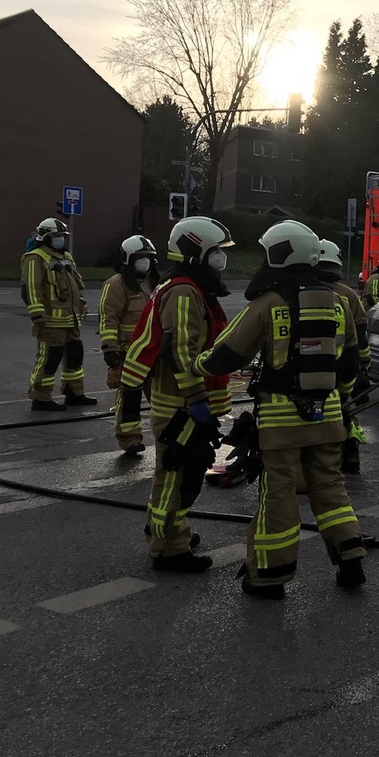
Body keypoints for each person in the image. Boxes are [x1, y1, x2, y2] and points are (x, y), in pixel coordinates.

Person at [194, 220, 367, 599]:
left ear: (279, 253)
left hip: (281, 423)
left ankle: (270, 576)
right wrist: (337, 404)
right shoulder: (338, 303)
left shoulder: (270, 302)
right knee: (330, 487)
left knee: (279, 494)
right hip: (329, 418)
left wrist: (197, 366)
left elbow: (228, 353)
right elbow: (351, 367)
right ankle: (351, 560)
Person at [120, 217, 234, 573]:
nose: (220, 259)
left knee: (179, 472)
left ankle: (168, 531)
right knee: (177, 474)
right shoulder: (184, 290)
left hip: (182, 401)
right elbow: (180, 350)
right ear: (196, 250)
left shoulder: (188, 285)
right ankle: (169, 548)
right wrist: (199, 398)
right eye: (216, 252)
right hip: (181, 405)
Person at [20, 217, 97, 411]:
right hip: (50, 322)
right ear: (45, 237)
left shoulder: (66, 258)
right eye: (57, 236)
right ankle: (41, 397)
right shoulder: (35, 258)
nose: (61, 239)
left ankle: (74, 393)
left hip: (71, 320)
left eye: (62, 236)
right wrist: (38, 317)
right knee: (49, 358)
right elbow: (31, 289)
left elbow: (75, 287)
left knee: (74, 355)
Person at [98, 235, 159, 455]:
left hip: (154, 353)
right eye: (140, 257)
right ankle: (130, 439)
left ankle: (167, 435)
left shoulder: (155, 284)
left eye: (148, 257)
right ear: (127, 259)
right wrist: (110, 348)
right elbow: (108, 317)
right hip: (129, 354)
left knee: (162, 398)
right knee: (129, 400)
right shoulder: (116, 284)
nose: (145, 261)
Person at [317, 238, 370, 474]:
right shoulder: (348, 294)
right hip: (343, 368)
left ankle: (321, 459)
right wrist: (363, 367)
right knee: (346, 412)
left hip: (313, 369)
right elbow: (359, 336)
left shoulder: (300, 292)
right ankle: (350, 452)